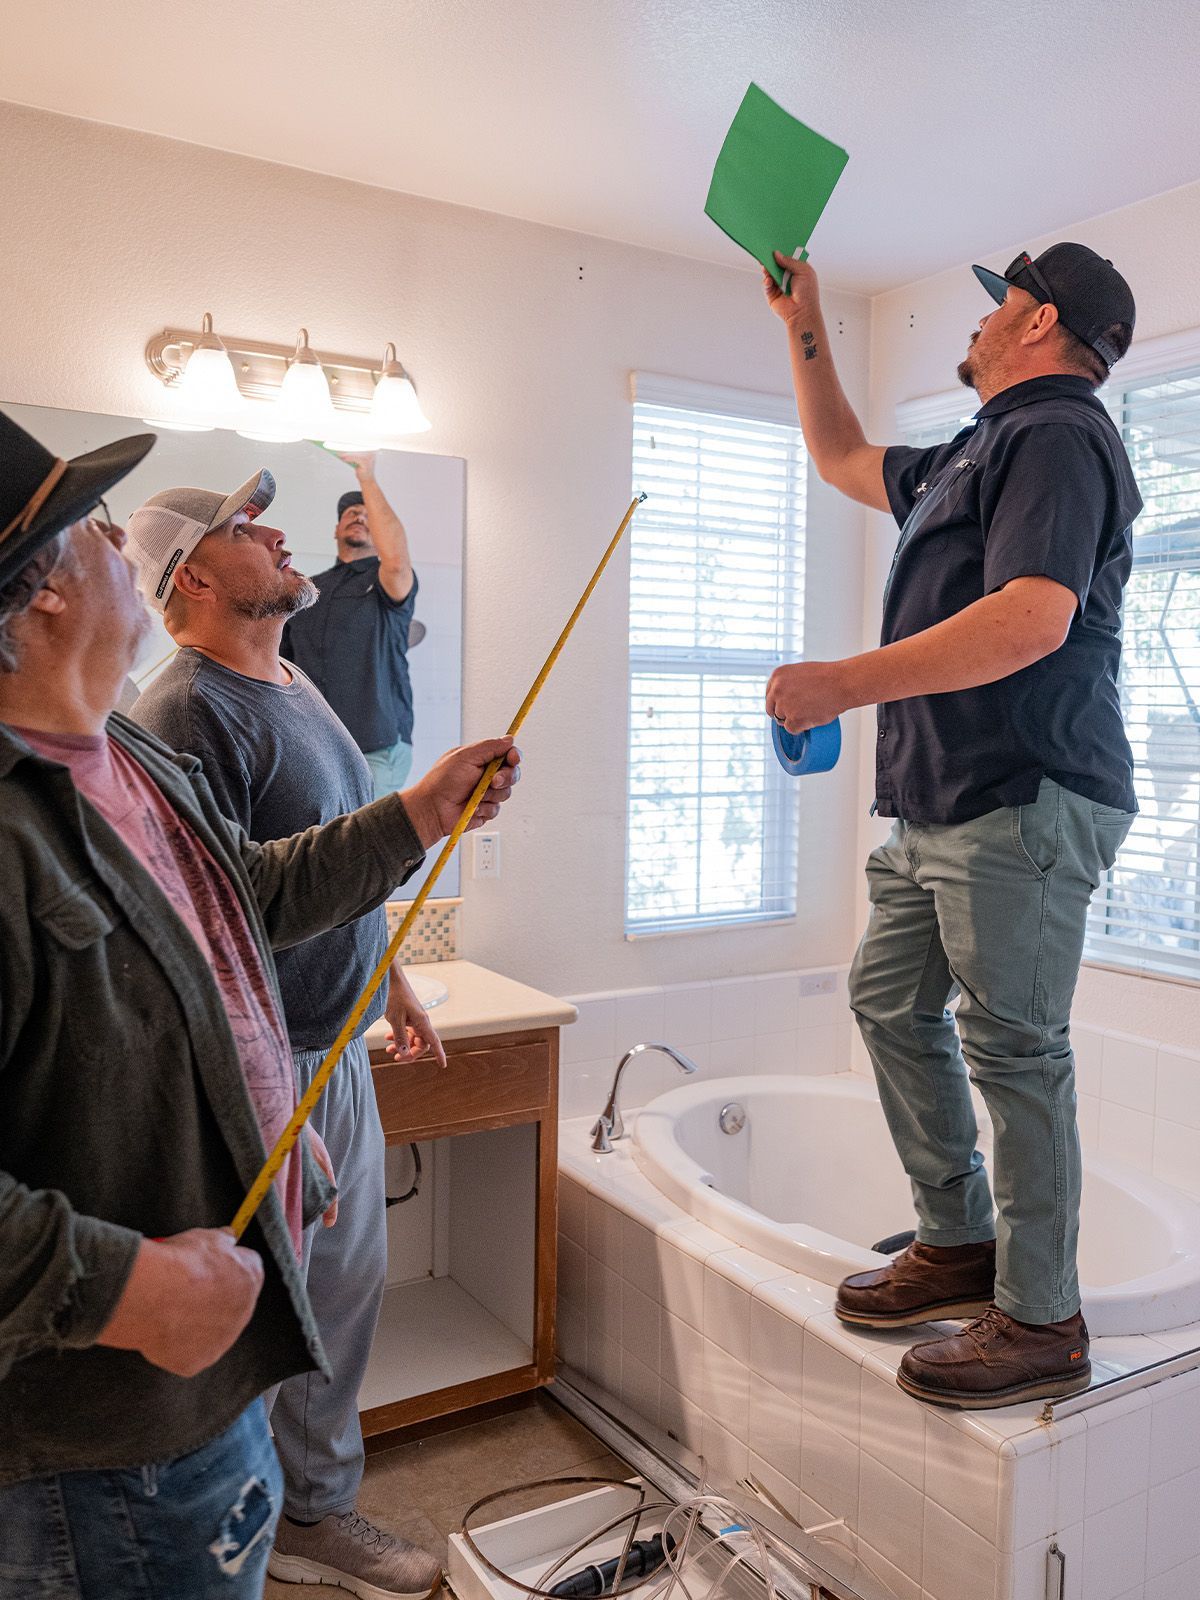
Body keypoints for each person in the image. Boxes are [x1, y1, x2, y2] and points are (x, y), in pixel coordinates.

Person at [0, 408, 520, 1598]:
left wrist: (417, 813)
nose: (115, 546)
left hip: (203, 1407)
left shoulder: (132, 766)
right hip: (103, 1432)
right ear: (40, 595)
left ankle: (306, 1513)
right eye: (89, 527)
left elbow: (238, 904)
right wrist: (129, 1289)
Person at [763, 243, 1142, 1408]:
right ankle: (959, 1244)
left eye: (997, 307)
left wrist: (842, 683)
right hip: (940, 799)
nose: (975, 325)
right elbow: (836, 454)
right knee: (887, 1001)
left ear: (1040, 323)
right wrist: (805, 319)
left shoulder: (1060, 435)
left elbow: (1033, 617)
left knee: (1016, 1050)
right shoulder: (974, 449)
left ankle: (1040, 1317)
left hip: (1024, 793)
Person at [127, 472, 450, 1598]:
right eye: (243, 526)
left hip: (338, 1039)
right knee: (286, 1313)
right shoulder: (180, 715)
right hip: (276, 1067)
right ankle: (286, 1518)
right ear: (196, 578)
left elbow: (331, 858)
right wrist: (273, 1096)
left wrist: (390, 982)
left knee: (344, 1292)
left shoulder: (295, 677)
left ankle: (314, 1507)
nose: (276, 529)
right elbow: (211, 927)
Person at [282, 451, 418, 797]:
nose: (359, 516)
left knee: (366, 847)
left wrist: (366, 477)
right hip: (314, 745)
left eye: (367, 514)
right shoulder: (306, 587)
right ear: (336, 529)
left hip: (378, 748)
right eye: (350, 514)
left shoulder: (387, 579)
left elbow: (398, 561)